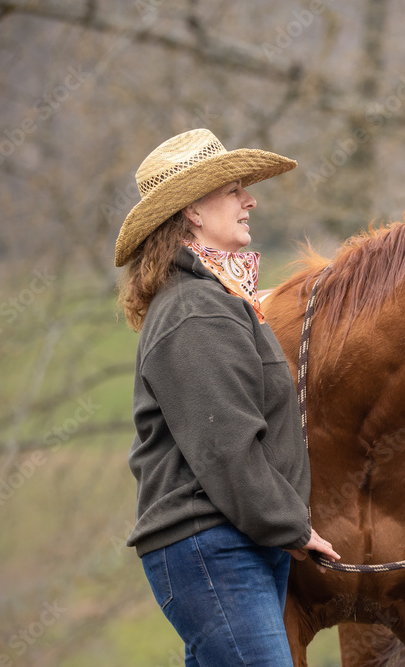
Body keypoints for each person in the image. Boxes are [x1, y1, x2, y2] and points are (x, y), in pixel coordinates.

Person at [115, 128, 340, 666]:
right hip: (211, 548)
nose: (250, 200)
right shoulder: (195, 309)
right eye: (234, 189)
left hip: (235, 544)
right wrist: (291, 525)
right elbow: (227, 446)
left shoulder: (216, 301)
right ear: (194, 210)